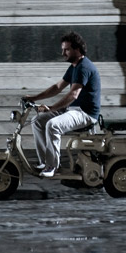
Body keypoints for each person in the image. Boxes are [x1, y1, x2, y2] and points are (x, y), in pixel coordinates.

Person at [22, 31, 101, 178]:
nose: (63, 53)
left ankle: (52, 166)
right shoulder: (74, 67)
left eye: (67, 50)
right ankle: (45, 162)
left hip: (85, 113)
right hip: (73, 109)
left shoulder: (84, 67)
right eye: (63, 49)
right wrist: (34, 98)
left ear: (77, 50)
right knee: (37, 120)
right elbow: (57, 87)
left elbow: (73, 94)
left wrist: (52, 108)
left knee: (53, 125)